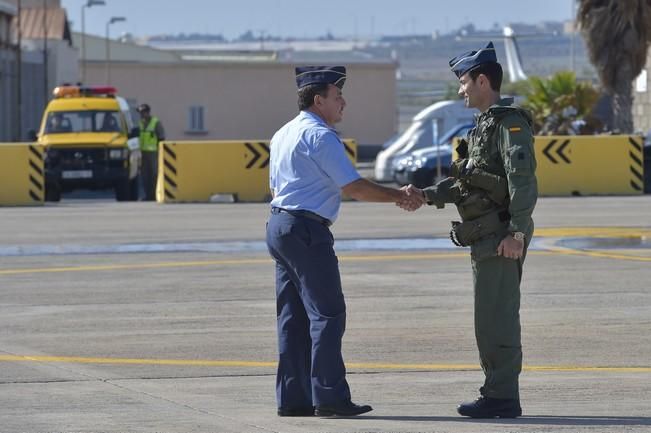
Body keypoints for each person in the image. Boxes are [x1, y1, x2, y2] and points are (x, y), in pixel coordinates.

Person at [266, 65, 422, 418]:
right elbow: (353, 187)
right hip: (306, 230)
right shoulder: (321, 136)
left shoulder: (283, 134)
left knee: (293, 317)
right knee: (328, 314)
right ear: (319, 100)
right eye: (337, 97)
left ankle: (294, 398)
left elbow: (275, 188)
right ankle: (330, 397)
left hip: (280, 225)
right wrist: (399, 195)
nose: (343, 103)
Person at [405, 42, 537, 418]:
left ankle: (502, 397)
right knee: (487, 319)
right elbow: (468, 184)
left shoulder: (509, 123)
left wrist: (517, 234)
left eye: (464, 82)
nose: (461, 90)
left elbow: (523, 182)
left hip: (500, 238)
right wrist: (425, 195)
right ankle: (497, 392)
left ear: (482, 80)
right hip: (486, 237)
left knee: (497, 319)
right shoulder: (484, 125)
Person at [137, 103, 165, 201]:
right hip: (143, 153)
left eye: (142, 112)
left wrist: (160, 152)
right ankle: (148, 195)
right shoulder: (140, 123)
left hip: (153, 153)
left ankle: (155, 195)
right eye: (140, 113)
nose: (141, 115)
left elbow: (161, 138)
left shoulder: (156, 122)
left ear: (147, 112)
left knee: (154, 174)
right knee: (145, 175)